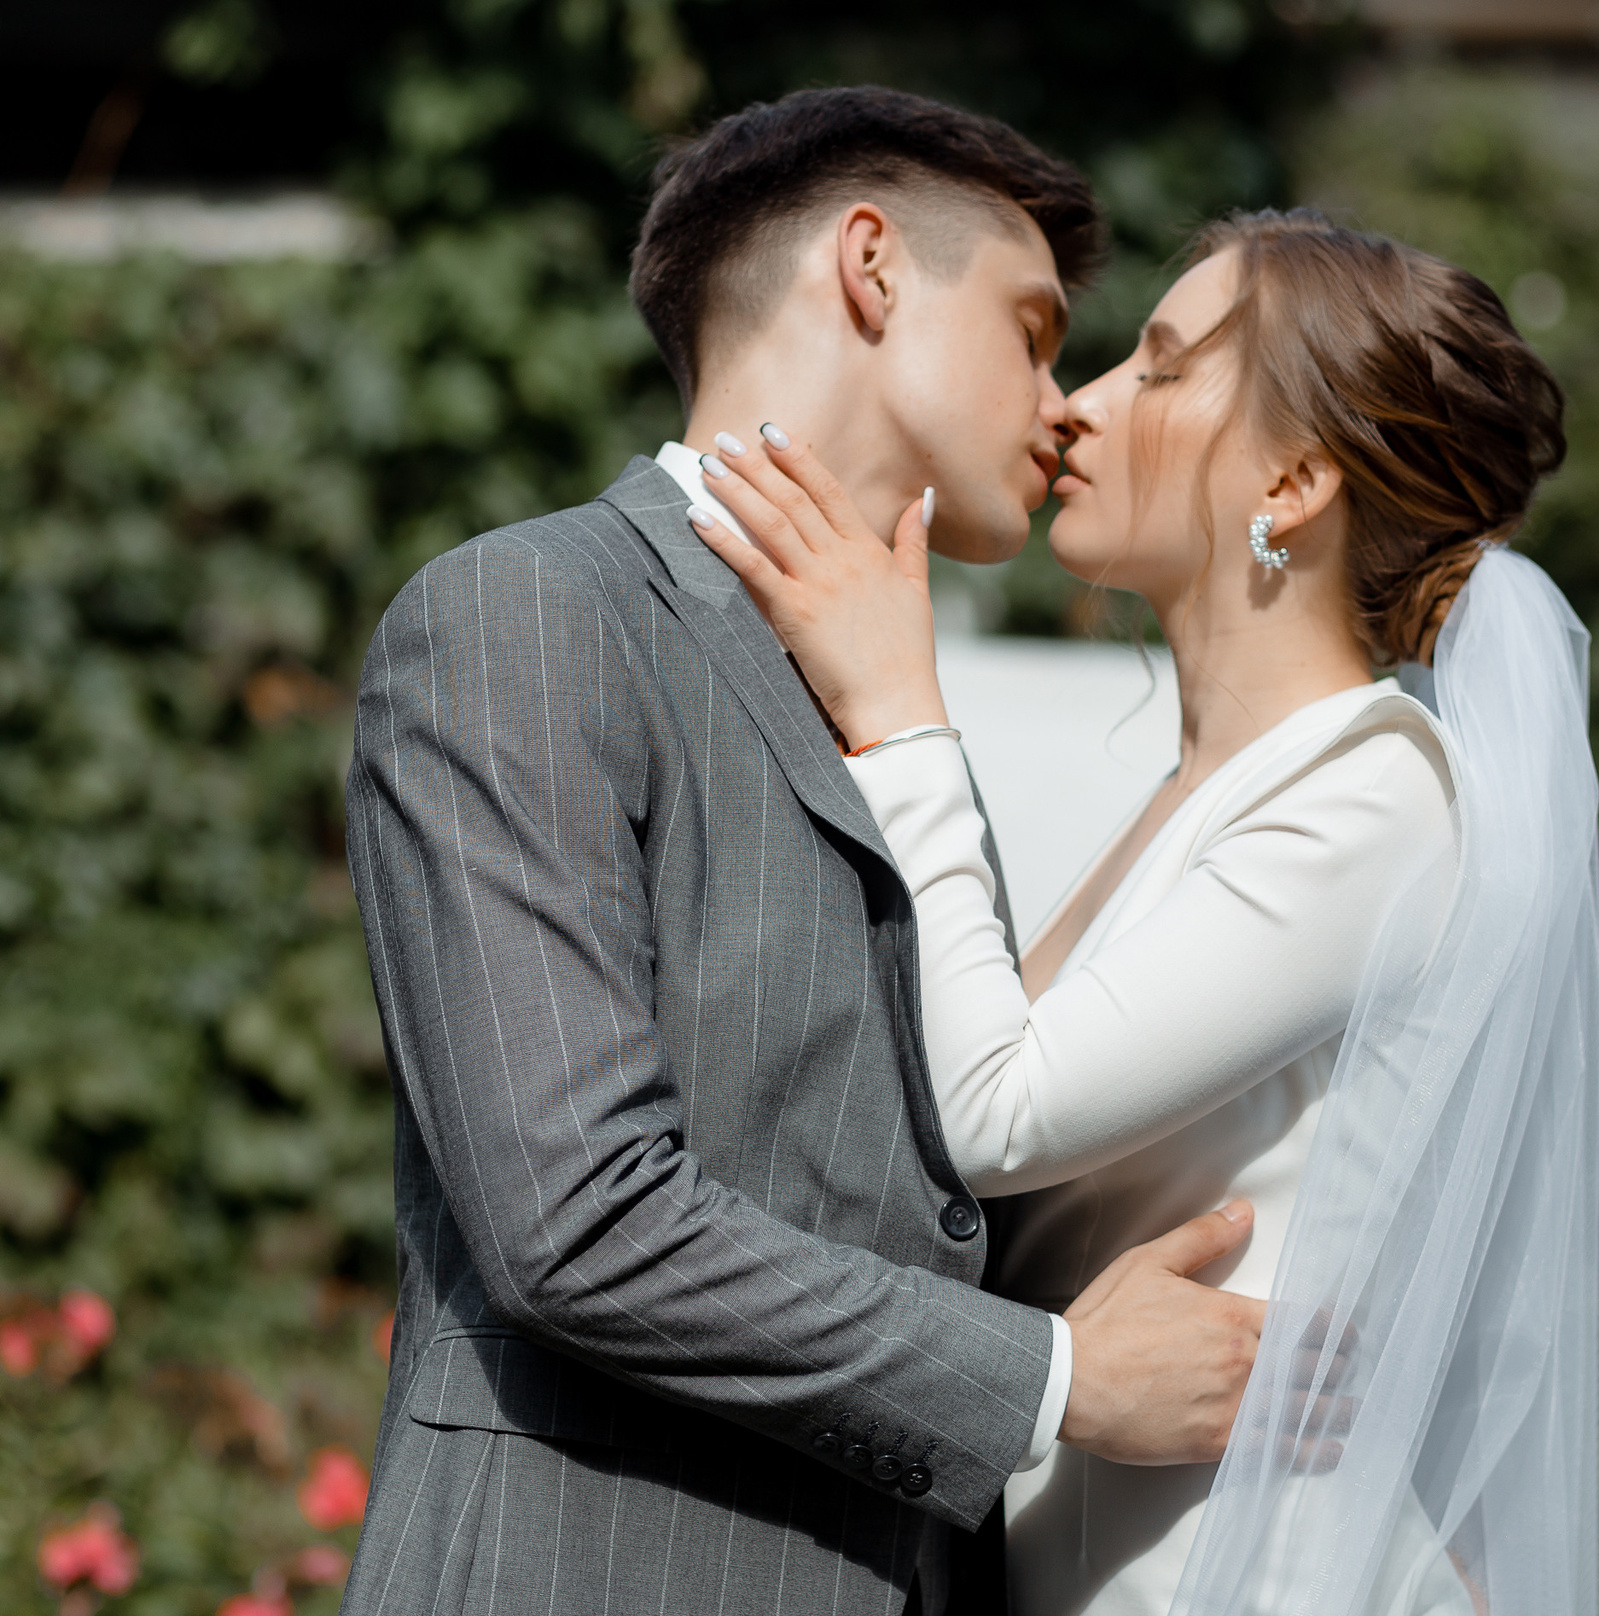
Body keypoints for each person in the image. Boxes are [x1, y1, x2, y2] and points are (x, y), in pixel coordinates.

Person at [341, 88, 1279, 1616]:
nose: (1065, 405)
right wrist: (1055, 1379)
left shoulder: (898, 712)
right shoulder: (523, 619)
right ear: (872, 267)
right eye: (1036, 334)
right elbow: (576, 1221)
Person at [689, 209, 1599, 1615]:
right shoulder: (1206, 795)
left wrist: (898, 711)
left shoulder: (1372, 798)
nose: (1080, 404)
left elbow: (997, 1114)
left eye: (1165, 369)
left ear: (1297, 480)